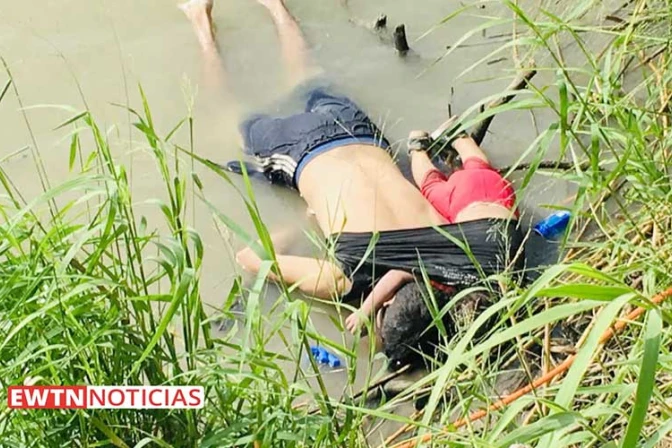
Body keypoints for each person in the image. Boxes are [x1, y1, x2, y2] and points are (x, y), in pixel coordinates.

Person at [181, 0, 523, 310]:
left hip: (362, 134)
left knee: (308, 78)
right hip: (302, 150)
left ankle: (276, 8)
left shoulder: (455, 247)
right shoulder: (346, 279)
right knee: (229, 117)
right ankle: (200, 21)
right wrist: (302, 223)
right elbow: (251, 258)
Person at [344, 129, 520, 333]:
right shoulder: (453, 277)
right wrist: (365, 311)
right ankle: (417, 146)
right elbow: (400, 272)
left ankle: (460, 138)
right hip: (463, 200)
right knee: (430, 185)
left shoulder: (505, 288)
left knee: (478, 166)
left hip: (502, 196)